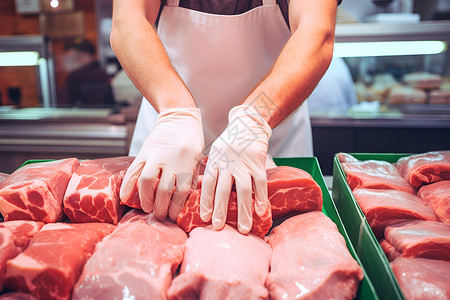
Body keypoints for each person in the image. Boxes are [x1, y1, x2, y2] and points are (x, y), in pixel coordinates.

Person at [112, 0, 339, 234]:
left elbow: (315, 32)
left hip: (267, 142)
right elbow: (128, 21)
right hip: (171, 139)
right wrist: (176, 110)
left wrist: (253, 121)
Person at [62, 38, 115, 108]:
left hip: (82, 117)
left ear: (87, 56)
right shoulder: (103, 73)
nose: (73, 61)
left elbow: (66, 104)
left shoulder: (74, 77)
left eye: (76, 57)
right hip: (106, 115)